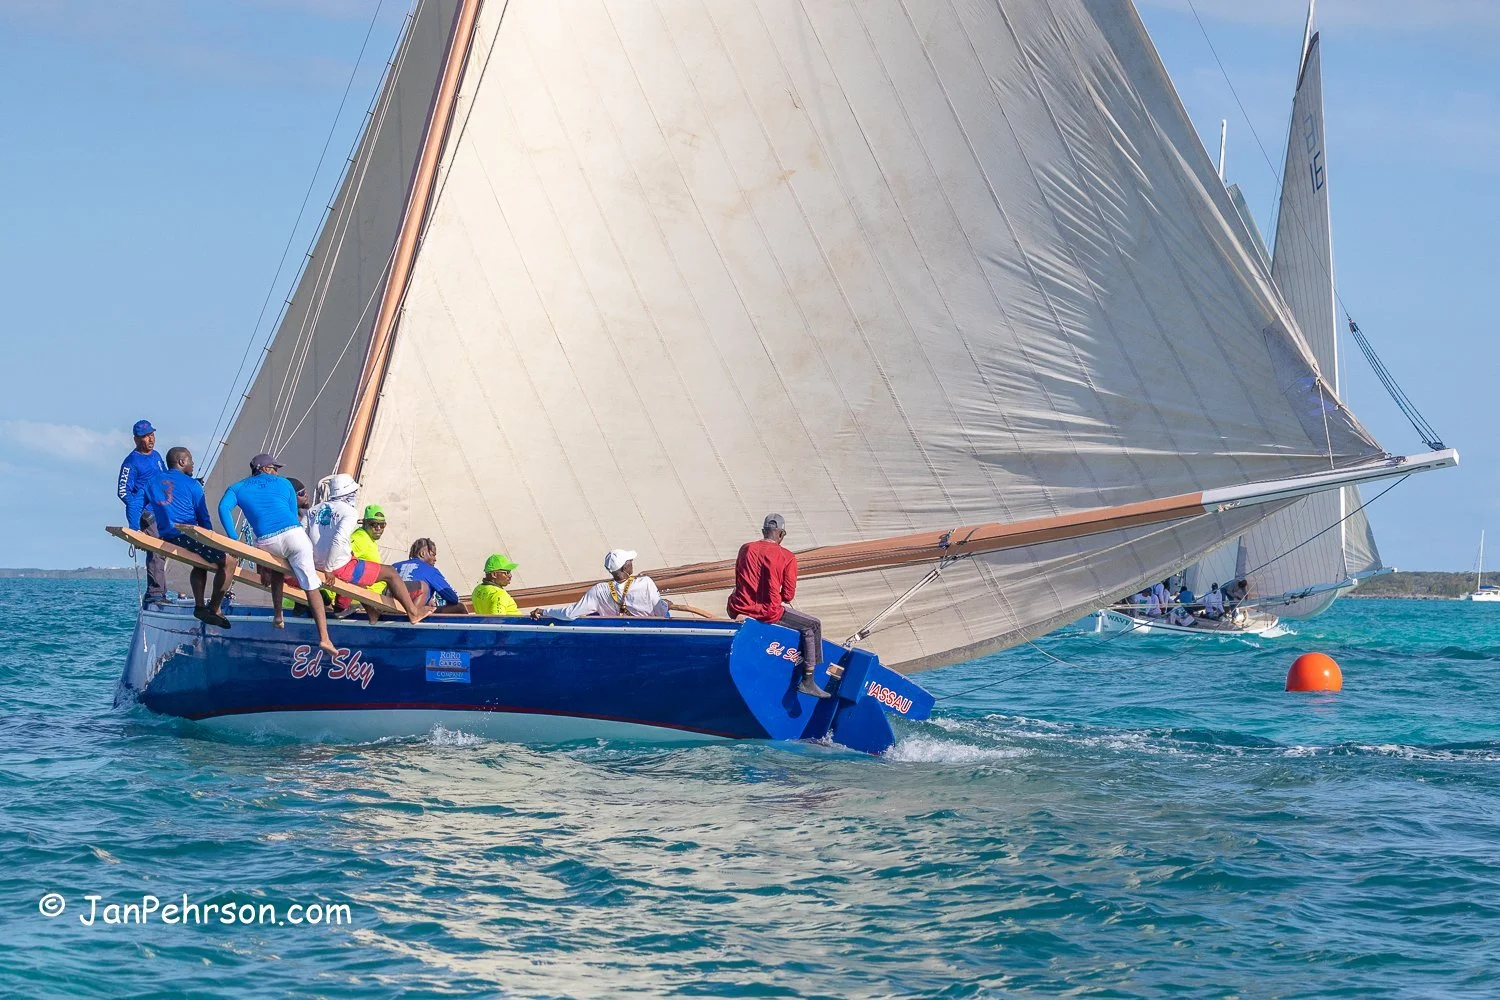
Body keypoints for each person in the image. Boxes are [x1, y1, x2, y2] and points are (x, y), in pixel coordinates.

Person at [220, 453, 338, 654]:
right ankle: (325, 639)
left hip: (267, 540)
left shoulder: (237, 488)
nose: (277, 472)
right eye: (274, 468)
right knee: (311, 586)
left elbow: (223, 508)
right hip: (295, 536)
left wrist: (233, 538)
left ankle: (278, 615)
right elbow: (292, 515)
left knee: (277, 568)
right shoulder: (285, 483)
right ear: (265, 469)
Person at [303, 473, 431, 625]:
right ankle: (414, 613)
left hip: (317, 564)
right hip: (337, 567)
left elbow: (302, 536)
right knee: (390, 573)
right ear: (348, 493)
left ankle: (371, 612)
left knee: (361, 566)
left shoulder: (313, 511)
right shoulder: (348, 511)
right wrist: (329, 568)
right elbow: (339, 539)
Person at [726, 514, 829, 699]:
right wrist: (772, 597)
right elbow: (788, 596)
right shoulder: (787, 557)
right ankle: (809, 679)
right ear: (781, 534)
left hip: (738, 607)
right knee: (813, 625)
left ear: (763, 531)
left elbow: (738, 578)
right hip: (768, 612)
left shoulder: (745, 548)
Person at [144, 447, 234, 627]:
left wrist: (138, 528)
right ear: (182, 462)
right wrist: (211, 541)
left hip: (167, 534)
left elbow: (140, 505)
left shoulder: (152, 482)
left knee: (200, 561)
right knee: (230, 561)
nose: (193, 464)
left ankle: (200, 606)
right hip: (185, 535)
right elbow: (204, 518)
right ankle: (214, 608)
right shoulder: (193, 485)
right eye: (191, 460)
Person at [530, 549, 689, 620]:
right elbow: (661, 612)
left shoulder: (599, 590)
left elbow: (570, 614)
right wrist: (666, 604)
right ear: (625, 567)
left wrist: (544, 612)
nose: (632, 562)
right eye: (630, 561)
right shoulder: (645, 583)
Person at [118, 419, 168, 606]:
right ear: (136, 439)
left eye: (152, 435)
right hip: (146, 513)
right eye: (146, 436)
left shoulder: (157, 456)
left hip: (162, 511)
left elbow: (165, 479)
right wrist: (138, 511)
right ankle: (155, 594)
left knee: (165, 550)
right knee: (156, 551)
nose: (151, 439)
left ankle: (161, 592)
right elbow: (123, 491)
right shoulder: (131, 462)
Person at [392, 538, 468, 613]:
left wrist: (428, 600)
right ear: (422, 553)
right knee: (460, 607)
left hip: (390, 610)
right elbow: (453, 599)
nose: (435, 559)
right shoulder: (430, 570)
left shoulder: (394, 566)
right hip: (411, 614)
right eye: (433, 555)